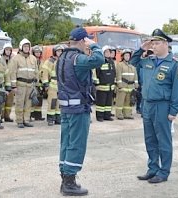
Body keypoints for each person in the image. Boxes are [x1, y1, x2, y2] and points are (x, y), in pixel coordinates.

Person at [130, 29, 178, 183]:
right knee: (150, 140)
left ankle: (164, 172)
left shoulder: (174, 65)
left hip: (162, 106)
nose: (154, 45)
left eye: (157, 42)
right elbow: (133, 61)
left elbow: (177, 90)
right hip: (147, 105)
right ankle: (153, 169)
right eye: (152, 42)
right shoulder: (148, 61)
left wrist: (174, 110)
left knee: (163, 141)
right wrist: (142, 48)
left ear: (166, 44)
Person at [57, 27, 105, 196]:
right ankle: (69, 182)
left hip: (66, 107)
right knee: (76, 144)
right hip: (78, 108)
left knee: (66, 143)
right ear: (83, 41)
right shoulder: (78, 58)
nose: (88, 44)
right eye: (88, 40)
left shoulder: (62, 57)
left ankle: (65, 178)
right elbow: (99, 59)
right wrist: (95, 46)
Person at [10, 38, 38, 128]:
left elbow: (36, 72)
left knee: (28, 104)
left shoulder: (33, 58)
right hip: (20, 85)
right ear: (21, 47)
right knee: (20, 103)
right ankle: (19, 121)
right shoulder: (16, 59)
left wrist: (35, 84)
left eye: (28, 46)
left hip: (30, 85)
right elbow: (12, 72)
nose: (26, 48)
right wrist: (13, 86)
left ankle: (26, 120)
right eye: (25, 46)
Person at [41, 44, 64, 126]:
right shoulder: (49, 61)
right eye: (58, 51)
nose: (60, 52)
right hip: (52, 84)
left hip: (61, 85)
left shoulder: (63, 61)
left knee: (60, 103)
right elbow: (45, 73)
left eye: (61, 51)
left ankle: (58, 118)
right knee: (52, 102)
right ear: (54, 52)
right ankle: (50, 119)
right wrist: (46, 84)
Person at [94, 45, 116, 121]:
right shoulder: (100, 62)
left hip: (110, 86)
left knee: (108, 103)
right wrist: (97, 84)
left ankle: (107, 115)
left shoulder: (111, 62)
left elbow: (114, 73)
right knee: (101, 103)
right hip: (102, 86)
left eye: (109, 52)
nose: (108, 53)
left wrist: (114, 83)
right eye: (106, 52)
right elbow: (96, 74)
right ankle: (99, 116)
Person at [115, 49, 138, 120]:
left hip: (131, 87)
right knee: (120, 101)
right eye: (126, 55)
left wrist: (136, 85)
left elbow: (135, 77)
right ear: (123, 56)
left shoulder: (132, 67)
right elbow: (118, 76)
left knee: (128, 102)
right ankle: (119, 114)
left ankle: (127, 114)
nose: (127, 57)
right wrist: (119, 85)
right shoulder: (120, 65)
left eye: (128, 55)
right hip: (123, 86)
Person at [30, 45, 45, 121]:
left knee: (39, 100)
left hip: (40, 84)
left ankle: (38, 116)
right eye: (36, 52)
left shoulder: (42, 62)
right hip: (33, 84)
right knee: (32, 100)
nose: (38, 53)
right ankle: (30, 115)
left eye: (39, 52)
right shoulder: (31, 61)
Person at [1, 43, 15, 122]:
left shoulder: (12, 61)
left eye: (9, 50)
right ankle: (0, 116)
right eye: (6, 50)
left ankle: (7, 116)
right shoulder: (0, 59)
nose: (8, 51)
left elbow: (14, 72)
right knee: (2, 102)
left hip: (11, 84)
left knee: (9, 102)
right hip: (3, 83)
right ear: (4, 50)